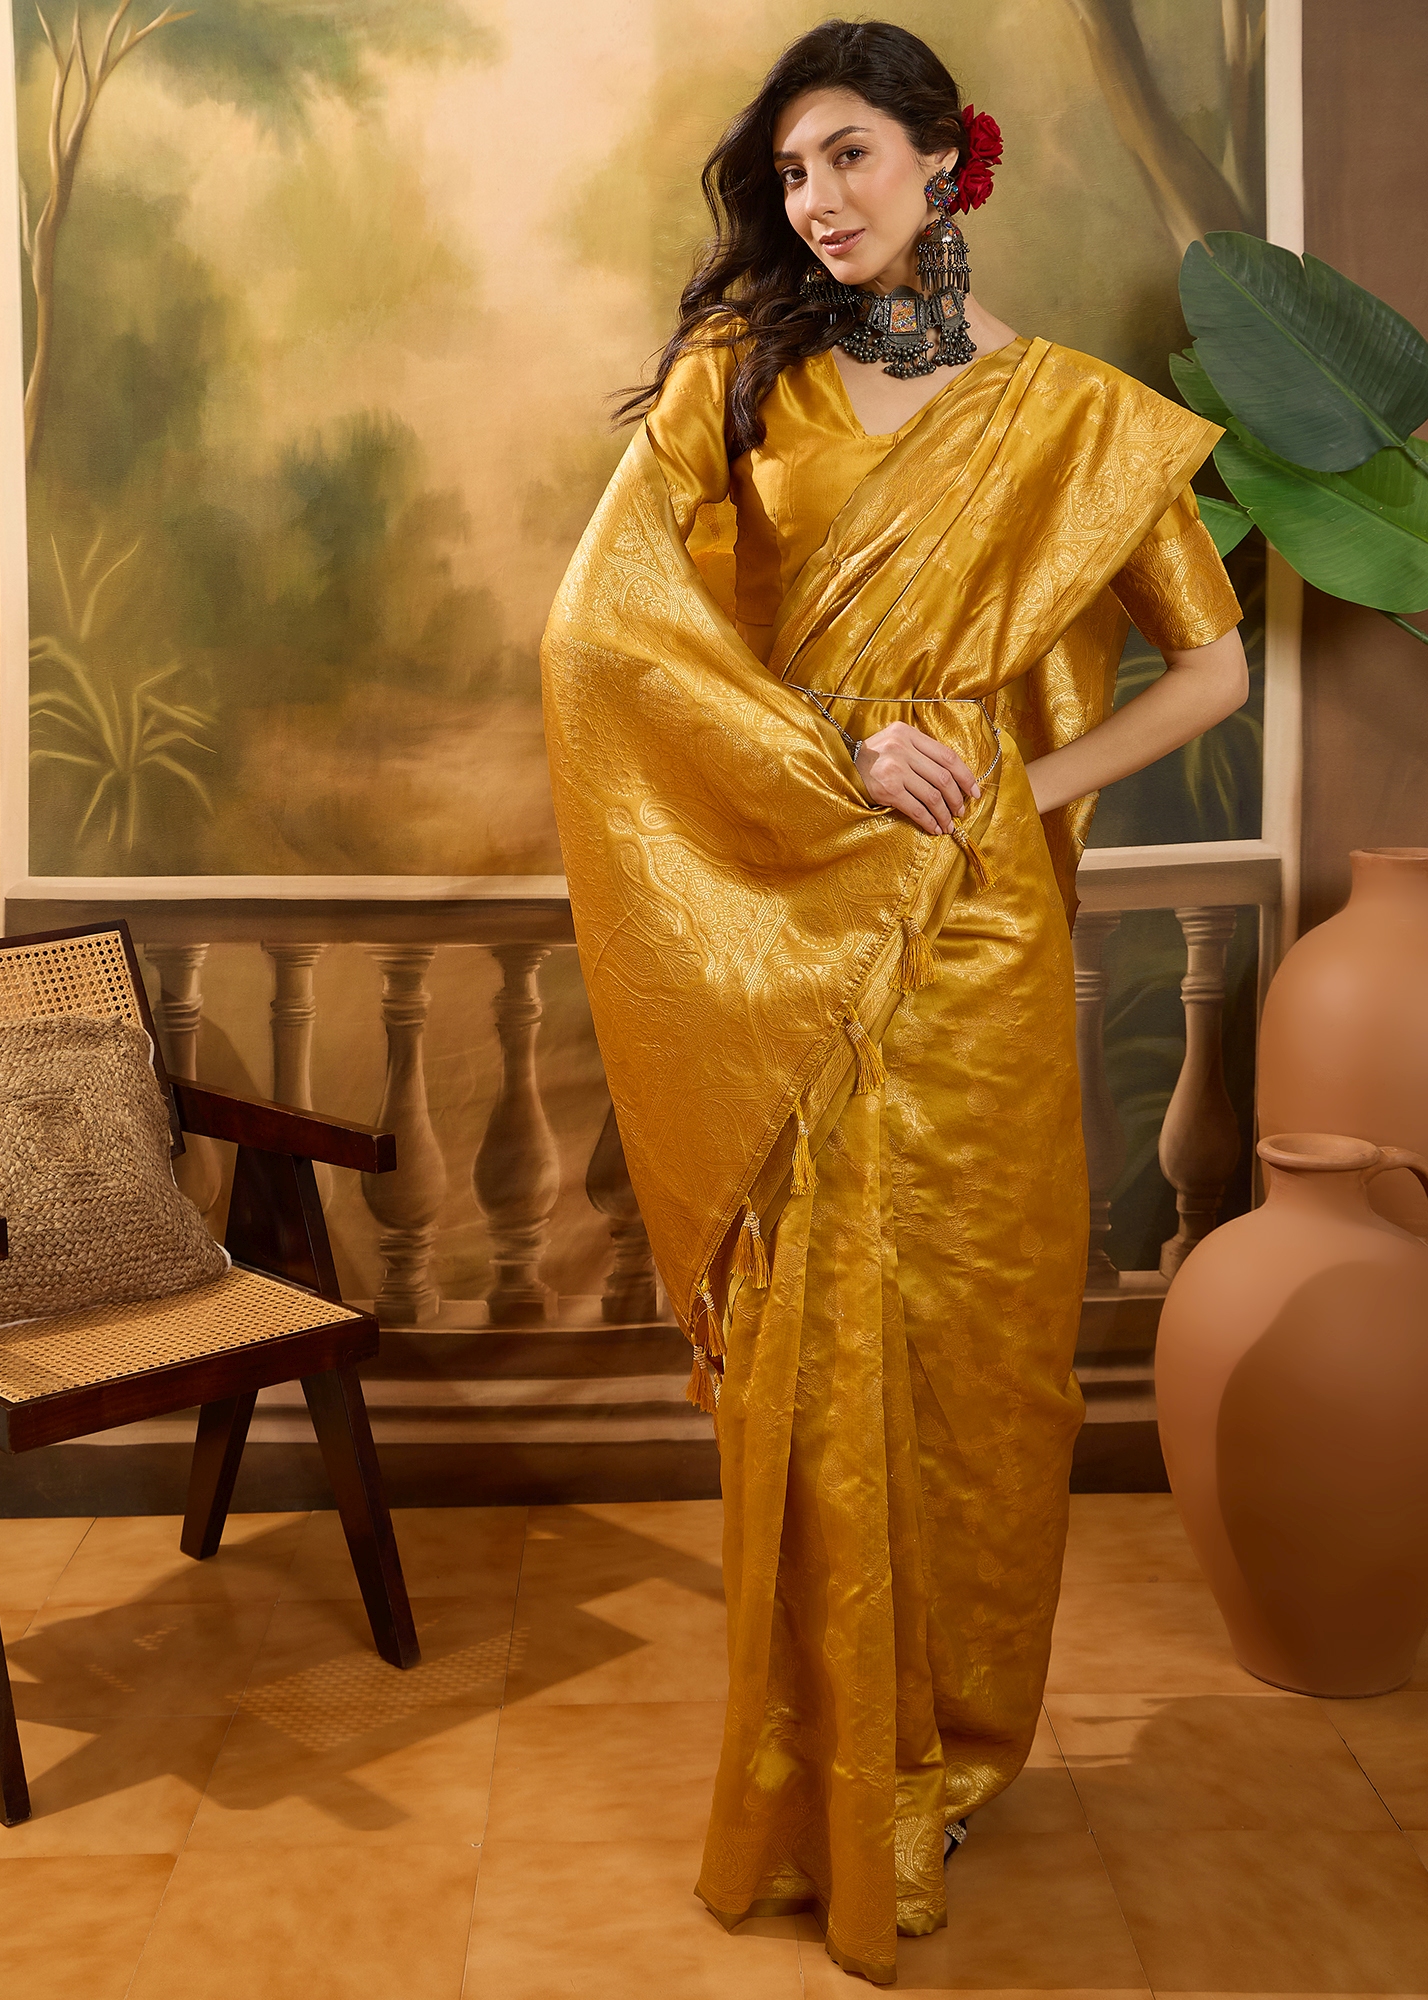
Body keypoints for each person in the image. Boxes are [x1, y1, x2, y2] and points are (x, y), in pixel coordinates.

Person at [541, 17, 1248, 1987]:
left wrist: (1020, 786)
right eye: (790, 173)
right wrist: (832, 752)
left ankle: (947, 1745)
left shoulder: (1077, 418)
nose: (817, 201)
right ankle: (827, 1769)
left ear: (949, 157)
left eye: (848, 155)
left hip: (986, 939)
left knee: (985, 1358)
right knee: (813, 1345)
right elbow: (607, 639)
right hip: (802, 911)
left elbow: (1214, 671)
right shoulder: (738, 381)